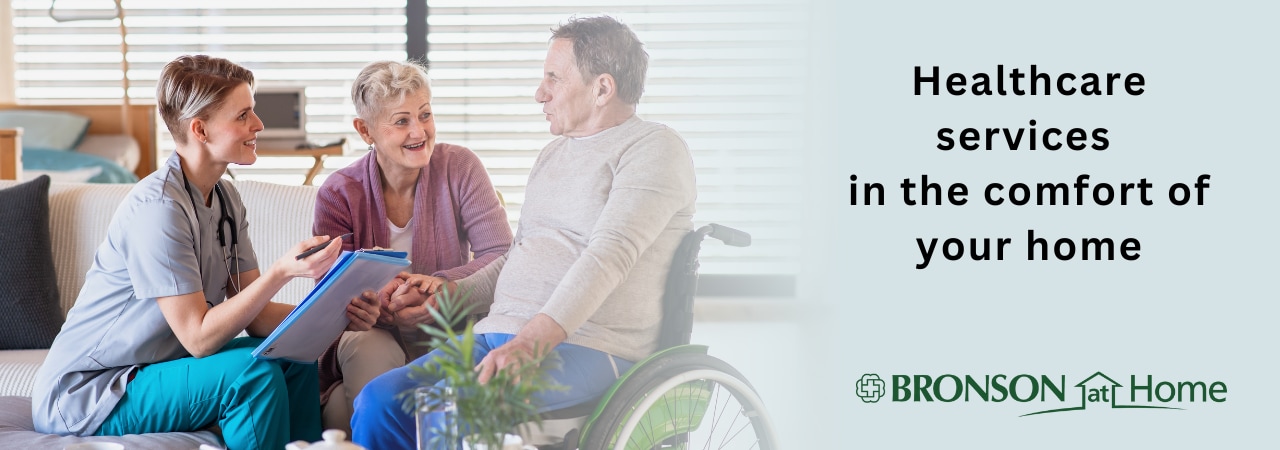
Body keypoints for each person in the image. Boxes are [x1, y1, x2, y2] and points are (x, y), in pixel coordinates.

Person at [350, 15, 697, 449]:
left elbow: (609, 256)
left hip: (593, 346)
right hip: (498, 334)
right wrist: (446, 293)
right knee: (379, 401)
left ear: (602, 89)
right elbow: (521, 256)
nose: (540, 93)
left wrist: (529, 344)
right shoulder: (553, 154)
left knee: (445, 409)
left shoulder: (654, 149)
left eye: (553, 78)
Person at [30, 55, 381, 450]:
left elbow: (260, 318)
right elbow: (198, 338)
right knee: (251, 374)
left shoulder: (226, 198)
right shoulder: (158, 208)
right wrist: (281, 272)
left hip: (155, 371)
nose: (259, 125)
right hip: (92, 391)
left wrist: (339, 315)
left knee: (291, 359)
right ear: (200, 129)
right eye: (243, 115)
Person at [312, 60, 512, 432]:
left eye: (425, 115)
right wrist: (381, 302)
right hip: (373, 337)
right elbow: (329, 292)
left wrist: (439, 288)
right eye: (401, 121)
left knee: (347, 415)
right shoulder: (338, 193)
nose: (419, 131)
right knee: (370, 349)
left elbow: (502, 254)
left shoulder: (461, 167)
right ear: (365, 130)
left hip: (449, 330)